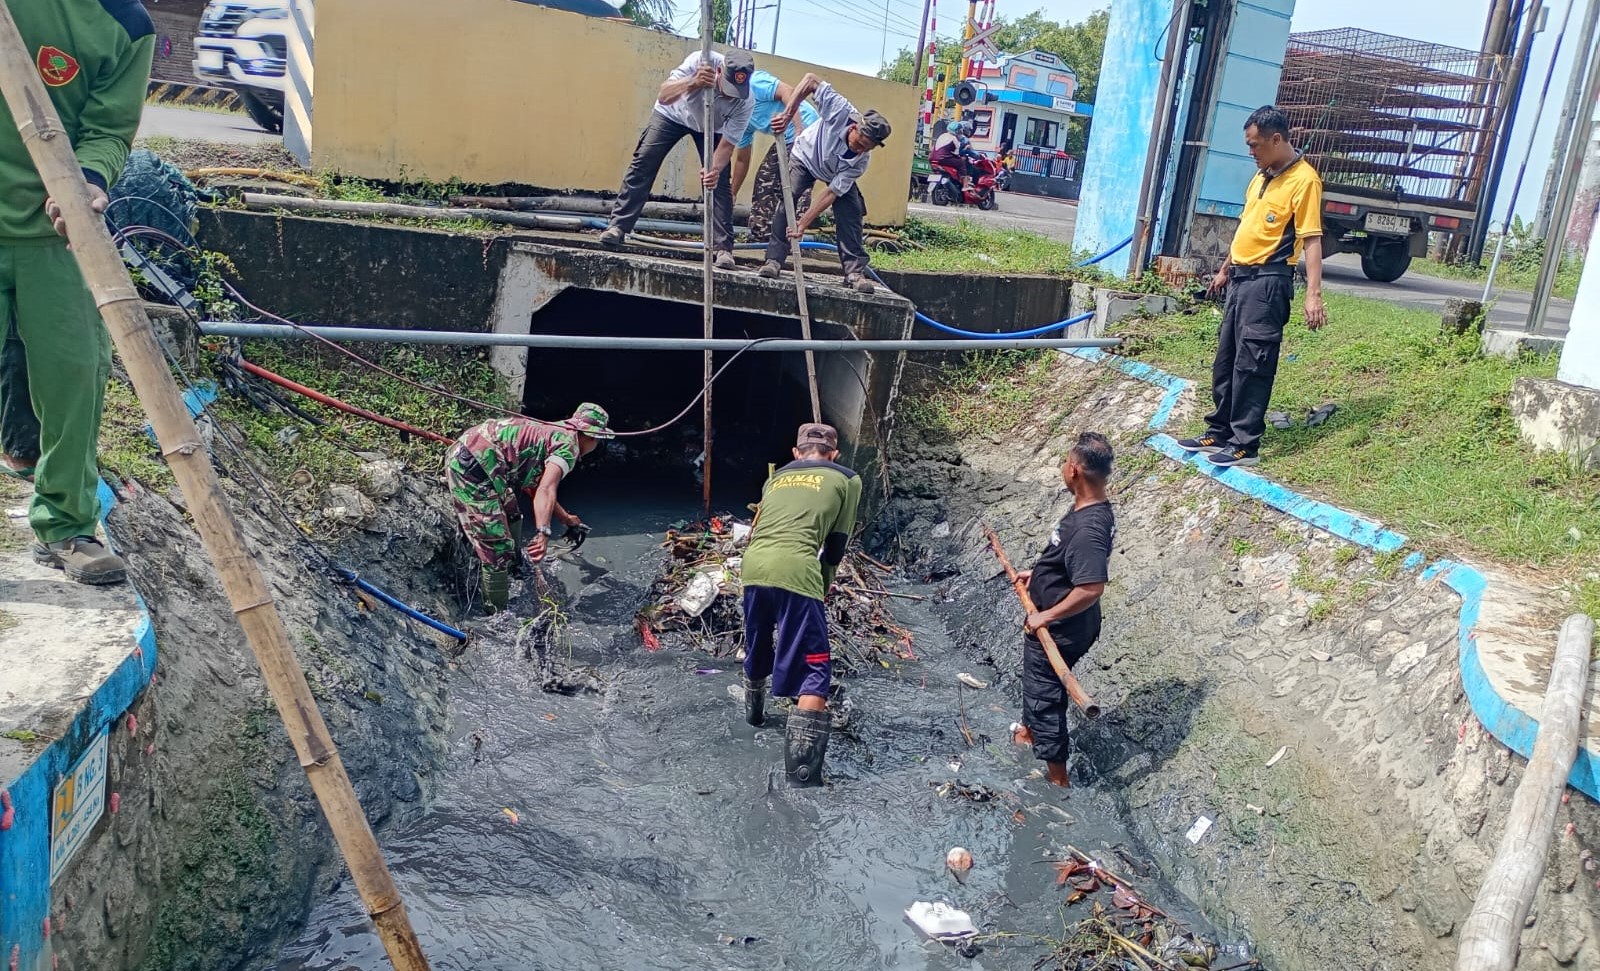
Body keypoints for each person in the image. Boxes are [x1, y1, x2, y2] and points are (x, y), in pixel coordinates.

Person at [1, 0, 155, 585]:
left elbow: (109, 130)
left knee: (75, 374)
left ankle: (66, 524)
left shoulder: (127, 24)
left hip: (58, 233)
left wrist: (86, 182)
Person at [1177, 105, 1327, 469]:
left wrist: (1313, 294)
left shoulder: (1304, 180)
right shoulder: (1261, 177)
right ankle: (1221, 430)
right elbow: (1247, 228)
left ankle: (1246, 443)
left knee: (1253, 363)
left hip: (1268, 283)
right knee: (1226, 359)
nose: (1251, 152)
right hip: (1240, 279)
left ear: (1277, 139)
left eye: (1256, 145)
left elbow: (1311, 239)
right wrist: (1226, 269)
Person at [738, 422, 862, 787]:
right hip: (798, 570)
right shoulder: (847, 478)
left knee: (759, 642)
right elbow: (836, 545)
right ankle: (803, 778)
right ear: (833, 454)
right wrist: (820, 586)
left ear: (796, 453)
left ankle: (755, 719)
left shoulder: (776, 478)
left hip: (754, 567)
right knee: (815, 669)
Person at [1013, 433, 1116, 789]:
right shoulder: (1087, 507)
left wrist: (1045, 616)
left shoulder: (1089, 529)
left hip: (1060, 630)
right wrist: (1040, 572)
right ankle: (1026, 734)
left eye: (1064, 461)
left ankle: (1059, 783)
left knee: (1044, 699)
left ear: (1073, 470)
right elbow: (1066, 558)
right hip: (1059, 618)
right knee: (1037, 688)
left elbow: (1091, 588)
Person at [444, 404, 614, 612]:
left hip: (482, 459)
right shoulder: (568, 449)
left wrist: (564, 517)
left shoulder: (558, 431)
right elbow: (546, 489)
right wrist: (543, 532)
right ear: (592, 438)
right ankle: (496, 614)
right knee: (496, 547)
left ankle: (514, 566)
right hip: (472, 469)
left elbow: (532, 484)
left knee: (512, 512)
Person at [598, 50, 755, 268]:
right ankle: (618, 226)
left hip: (712, 128)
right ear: (719, 72)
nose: (731, 96)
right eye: (728, 88)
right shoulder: (700, 60)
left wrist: (714, 169)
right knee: (644, 161)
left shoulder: (746, 102)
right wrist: (693, 82)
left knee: (718, 184)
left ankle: (723, 249)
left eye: (736, 92)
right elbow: (664, 94)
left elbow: (727, 145)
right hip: (672, 114)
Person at [756, 73, 892, 294]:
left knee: (851, 210)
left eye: (868, 148)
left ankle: (854, 272)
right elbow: (809, 79)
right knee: (787, 198)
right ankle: (773, 261)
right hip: (806, 156)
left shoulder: (860, 162)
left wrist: (803, 223)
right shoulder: (840, 110)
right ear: (854, 128)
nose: (861, 150)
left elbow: (830, 193)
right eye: (861, 143)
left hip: (834, 172)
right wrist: (788, 114)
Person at [730, 70, 819, 243]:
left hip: (806, 127)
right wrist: (733, 193)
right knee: (765, 180)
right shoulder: (739, 118)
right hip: (785, 136)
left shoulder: (755, 82)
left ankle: (791, 238)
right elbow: (742, 158)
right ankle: (762, 237)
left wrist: (798, 128)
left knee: (795, 184)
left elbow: (788, 91)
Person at [930, 120, 971, 189]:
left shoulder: (942, 135)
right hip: (943, 159)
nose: (960, 132)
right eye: (959, 131)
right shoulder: (954, 138)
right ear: (956, 131)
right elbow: (957, 153)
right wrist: (965, 150)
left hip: (932, 158)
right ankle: (965, 185)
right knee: (961, 162)